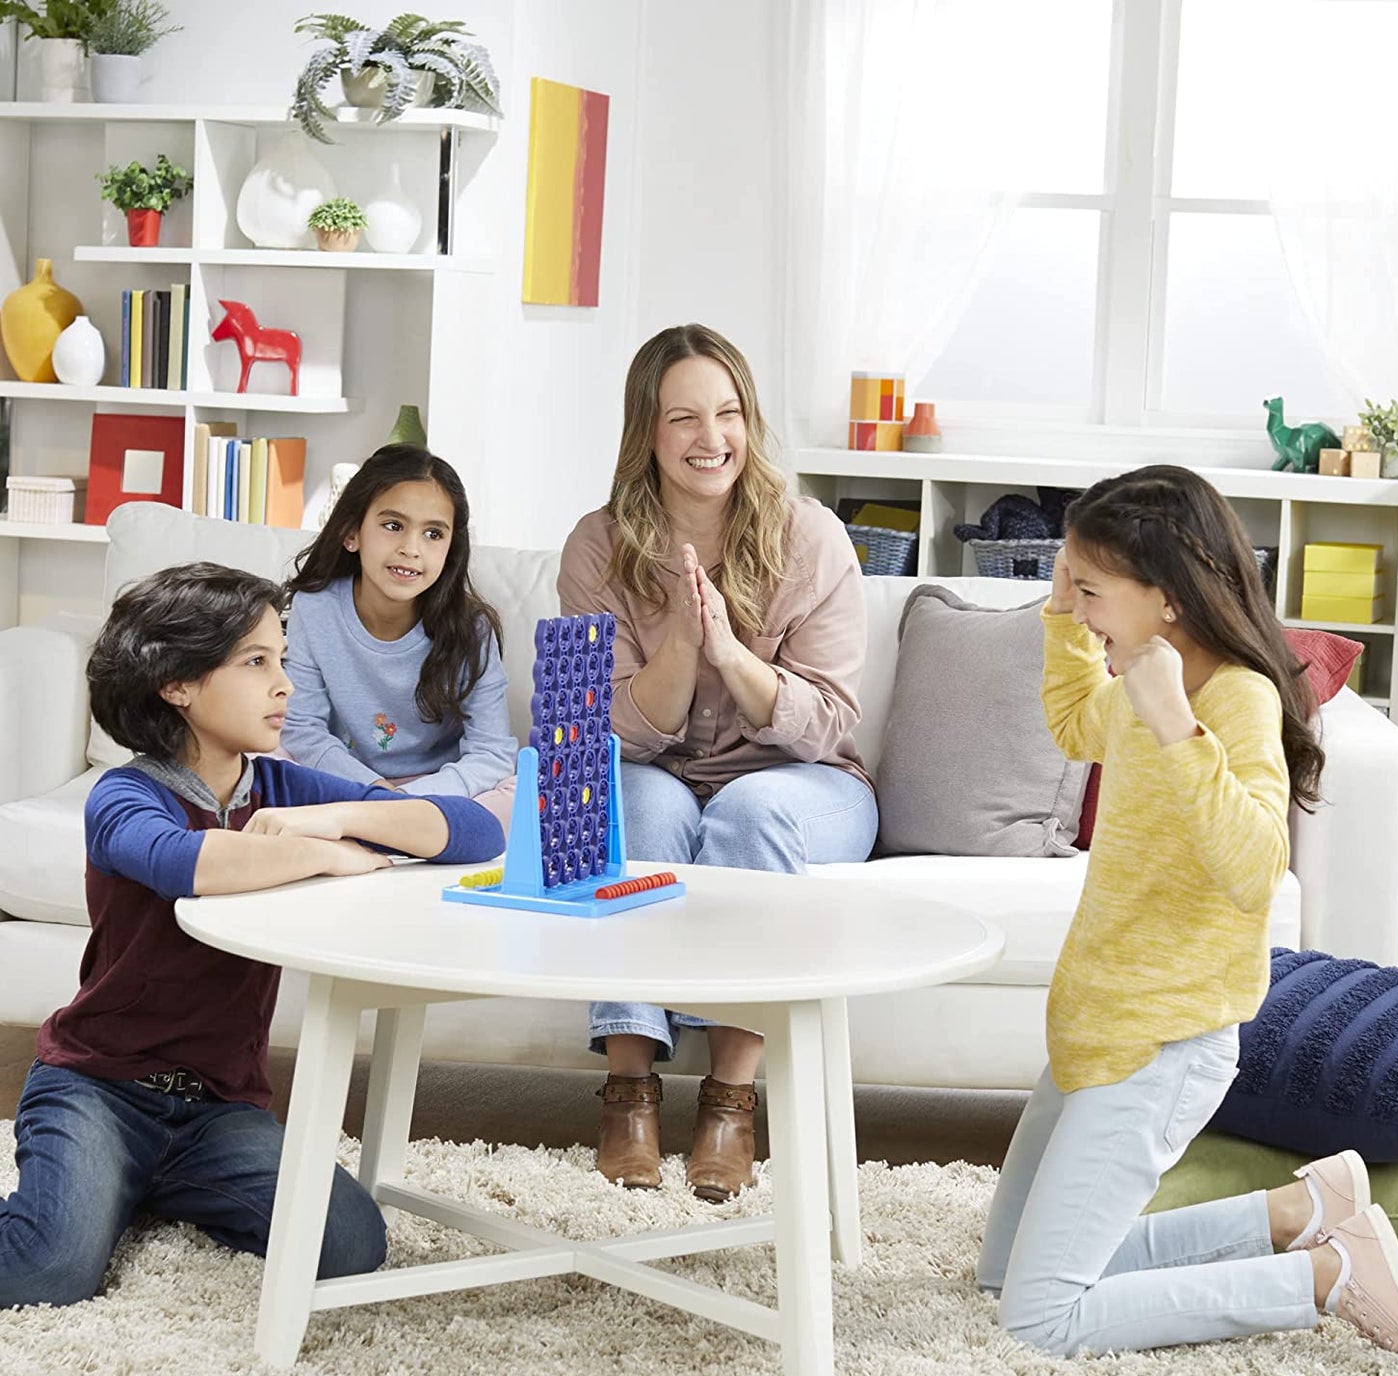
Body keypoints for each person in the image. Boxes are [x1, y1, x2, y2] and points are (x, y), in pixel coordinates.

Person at [978, 464, 1398, 1372]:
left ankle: (1322, 1274)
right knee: (1004, 1277)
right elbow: (1075, 725)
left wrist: (1173, 727)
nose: (1076, 604)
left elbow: (1253, 866)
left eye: (1092, 589)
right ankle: (1290, 1212)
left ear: (1169, 598)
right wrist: (1065, 617)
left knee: (1038, 1319)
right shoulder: (1136, 673)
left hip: (1163, 1040)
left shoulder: (1233, 697)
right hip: (1093, 1025)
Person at [0, 563, 504, 1309]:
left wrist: (330, 816)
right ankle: (102, 1187)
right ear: (176, 681)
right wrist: (326, 854)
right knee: (48, 1270)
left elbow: (472, 829)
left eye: (283, 661)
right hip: (99, 1089)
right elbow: (186, 862)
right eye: (256, 662)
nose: (285, 686)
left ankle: (137, 1190)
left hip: (220, 1107)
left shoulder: (281, 788)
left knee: (347, 1244)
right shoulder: (125, 794)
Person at [558, 324, 878, 1200]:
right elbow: (595, 733)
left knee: (751, 812)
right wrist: (676, 646)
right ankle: (628, 1090)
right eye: (684, 418)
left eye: (728, 413)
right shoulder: (595, 546)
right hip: (659, 772)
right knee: (640, 806)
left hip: (807, 787)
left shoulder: (811, 537)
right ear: (647, 433)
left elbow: (827, 724)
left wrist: (733, 656)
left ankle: (731, 1100)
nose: (711, 438)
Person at [282, 443, 516, 830]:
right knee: (266, 759)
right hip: (347, 783)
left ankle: (373, 831)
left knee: (522, 792)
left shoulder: (472, 629)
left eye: (433, 534)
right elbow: (303, 728)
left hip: (437, 796)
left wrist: (408, 802)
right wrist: (374, 791)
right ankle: (385, 832)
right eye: (393, 526)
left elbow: (491, 752)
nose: (411, 549)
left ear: (450, 550)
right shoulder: (315, 607)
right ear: (351, 532)